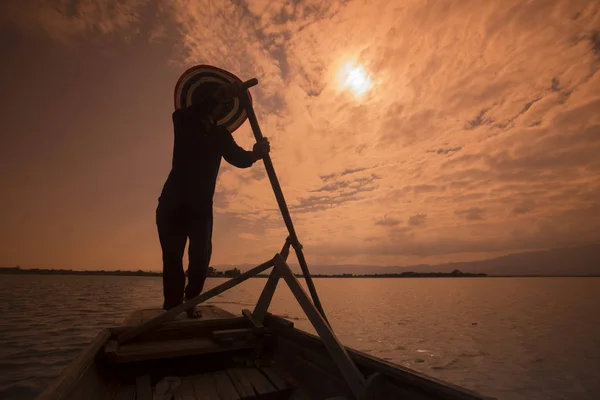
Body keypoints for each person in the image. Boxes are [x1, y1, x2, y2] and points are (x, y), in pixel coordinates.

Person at [156, 81, 270, 318]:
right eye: (219, 101)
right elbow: (185, 114)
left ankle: (191, 301)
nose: (222, 105)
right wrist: (218, 94)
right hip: (172, 204)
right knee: (172, 257)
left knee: (200, 258)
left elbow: (239, 158)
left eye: (225, 102)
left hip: (200, 208)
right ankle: (172, 305)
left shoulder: (221, 135)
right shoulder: (183, 120)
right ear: (206, 102)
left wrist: (257, 153)